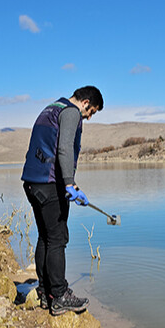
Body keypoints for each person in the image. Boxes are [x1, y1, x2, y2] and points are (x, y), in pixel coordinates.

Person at [21, 86, 103, 316]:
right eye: (92, 112)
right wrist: (69, 183)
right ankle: (59, 296)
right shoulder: (71, 112)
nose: (88, 117)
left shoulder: (51, 108)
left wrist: (71, 185)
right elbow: (64, 148)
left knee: (45, 237)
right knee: (57, 239)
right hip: (49, 185)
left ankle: (45, 292)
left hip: (32, 182)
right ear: (86, 102)